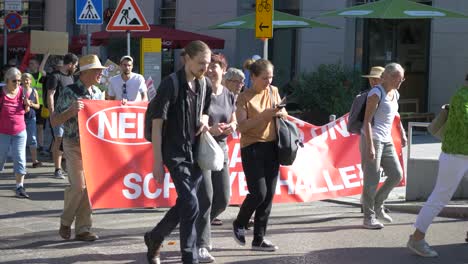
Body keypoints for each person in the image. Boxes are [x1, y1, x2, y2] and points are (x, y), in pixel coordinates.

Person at [144, 40, 212, 264]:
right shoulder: (170, 84)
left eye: (208, 63)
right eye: (201, 63)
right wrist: (157, 162)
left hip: (196, 153)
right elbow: (156, 124)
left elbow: (205, 111)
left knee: (186, 202)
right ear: (187, 59)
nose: (205, 68)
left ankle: (155, 237)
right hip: (174, 153)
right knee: (191, 203)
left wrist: (203, 121)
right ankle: (188, 257)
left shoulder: (205, 85)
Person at [407, 80, 468, 257]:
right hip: (456, 156)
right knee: (440, 197)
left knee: (439, 196)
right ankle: (417, 239)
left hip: (462, 155)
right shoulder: (461, 96)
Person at [232, 59, 286, 252]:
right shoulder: (244, 97)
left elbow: (284, 113)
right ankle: (239, 222)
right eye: (264, 78)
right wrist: (264, 115)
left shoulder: (273, 91)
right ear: (253, 77)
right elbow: (241, 126)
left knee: (269, 195)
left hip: (272, 146)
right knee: (259, 193)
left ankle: (259, 239)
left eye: (271, 77)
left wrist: (280, 113)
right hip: (252, 147)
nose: (268, 82)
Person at [51, 54, 106, 242]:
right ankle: (66, 222)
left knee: (89, 188)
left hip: (93, 147)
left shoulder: (99, 93)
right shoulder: (69, 91)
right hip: (73, 144)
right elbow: (55, 120)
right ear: (85, 73)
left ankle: (83, 229)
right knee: (78, 186)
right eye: (97, 70)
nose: (100, 73)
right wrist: (70, 111)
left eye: (100, 71)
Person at [195, 52, 237, 263]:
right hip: (203, 147)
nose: (211, 70)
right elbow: (195, 123)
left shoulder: (228, 94)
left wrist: (231, 126)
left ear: (224, 70)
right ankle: (201, 245)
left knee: (223, 199)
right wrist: (209, 129)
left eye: (215, 66)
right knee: (207, 198)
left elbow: (234, 119)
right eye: (208, 66)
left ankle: (197, 228)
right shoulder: (200, 92)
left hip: (222, 149)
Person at [360, 63, 405, 229]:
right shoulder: (376, 92)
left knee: (396, 174)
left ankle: (378, 205)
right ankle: (368, 217)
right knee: (372, 179)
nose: (402, 81)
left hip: (387, 140)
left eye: (402, 78)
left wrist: (402, 133)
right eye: (399, 78)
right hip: (373, 139)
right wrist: (371, 146)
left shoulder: (396, 94)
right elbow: (366, 122)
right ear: (390, 77)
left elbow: (395, 115)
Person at [46, 53, 79, 179]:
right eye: (75, 65)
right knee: (58, 139)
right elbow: (50, 95)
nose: (75, 68)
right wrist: (52, 113)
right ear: (69, 64)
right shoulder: (55, 76)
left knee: (66, 140)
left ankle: (65, 164)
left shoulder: (71, 77)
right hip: (58, 114)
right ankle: (57, 169)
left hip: (70, 115)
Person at [0, 67, 31, 198]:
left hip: (20, 131)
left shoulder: (22, 91)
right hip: (3, 131)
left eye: (19, 81)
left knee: (20, 158)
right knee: (1, 158)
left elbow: (27, 110)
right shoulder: (1, 93)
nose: (18, 83)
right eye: (14, 81)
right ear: (7, 80)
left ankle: (20, 186)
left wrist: (27, 104)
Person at [26, 54, 50, 155]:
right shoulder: (27, 76)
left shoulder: (41, 74)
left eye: (33, 63)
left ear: (37, 65)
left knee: (40, 126)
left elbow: (41, 70)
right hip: (30, 104)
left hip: (40, 105)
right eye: (30, 64)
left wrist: (45, 57)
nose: (30, 65)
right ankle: (30, 144)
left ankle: (40, 146)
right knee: (28, 125)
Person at [22, 73, 42, 168]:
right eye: (24, 79)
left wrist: (31, 104)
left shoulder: (34, 91)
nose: (26, 81)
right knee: (20, 140)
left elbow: (38, 106)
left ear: (31, 81)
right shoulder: (19, 91)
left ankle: (35, 161)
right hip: (20, 118)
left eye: (28, 79)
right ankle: (20, 161)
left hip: (31, 118)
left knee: (33, 139)